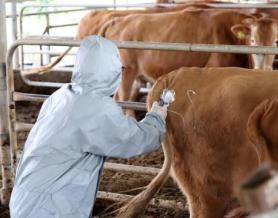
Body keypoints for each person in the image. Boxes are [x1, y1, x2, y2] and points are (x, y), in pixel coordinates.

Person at [9, 35, 168, 218]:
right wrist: (157, 116)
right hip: (50, 209)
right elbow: (135, 140)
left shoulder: (62, 95)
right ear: (112, 72)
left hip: (25, 199)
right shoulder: (97, 107)